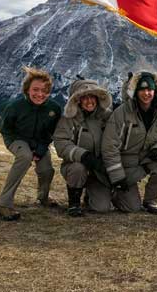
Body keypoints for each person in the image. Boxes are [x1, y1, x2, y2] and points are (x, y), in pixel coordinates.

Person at [101, 71, 157, 214]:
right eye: (142, 90)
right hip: (124, 165)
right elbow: (109, 146)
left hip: (144, 160)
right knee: (132, 208)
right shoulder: (122, 112)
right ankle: (112, 190)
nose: (146, 93)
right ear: (135, 91)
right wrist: (117, 176)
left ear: (156, 91)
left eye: (150, 90)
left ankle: (151, 201)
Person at [0, 67, 62, 221]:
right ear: (27, 90)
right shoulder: (14, 106)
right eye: (36, 89)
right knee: (25, 157)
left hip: (40, 142)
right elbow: (6, 128)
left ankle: (43, 197)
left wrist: (41, 148)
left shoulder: (54, 108)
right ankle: (5, 204)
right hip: (16, 139)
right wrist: (16, 143)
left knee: (46, 169)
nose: (40, 94)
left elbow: (52, 131)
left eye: (45, 90)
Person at [52, 79, 113, 216]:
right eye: (84, 97)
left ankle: (91, 196)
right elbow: (61, 143)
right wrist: (84, 156)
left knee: (102, 208)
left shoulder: (106, 116)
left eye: (92, 97)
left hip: (99, 168)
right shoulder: (68, 119)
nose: (89, 101)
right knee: (78, 168)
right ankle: (74, 203)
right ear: (77, 100)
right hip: (76, 166)